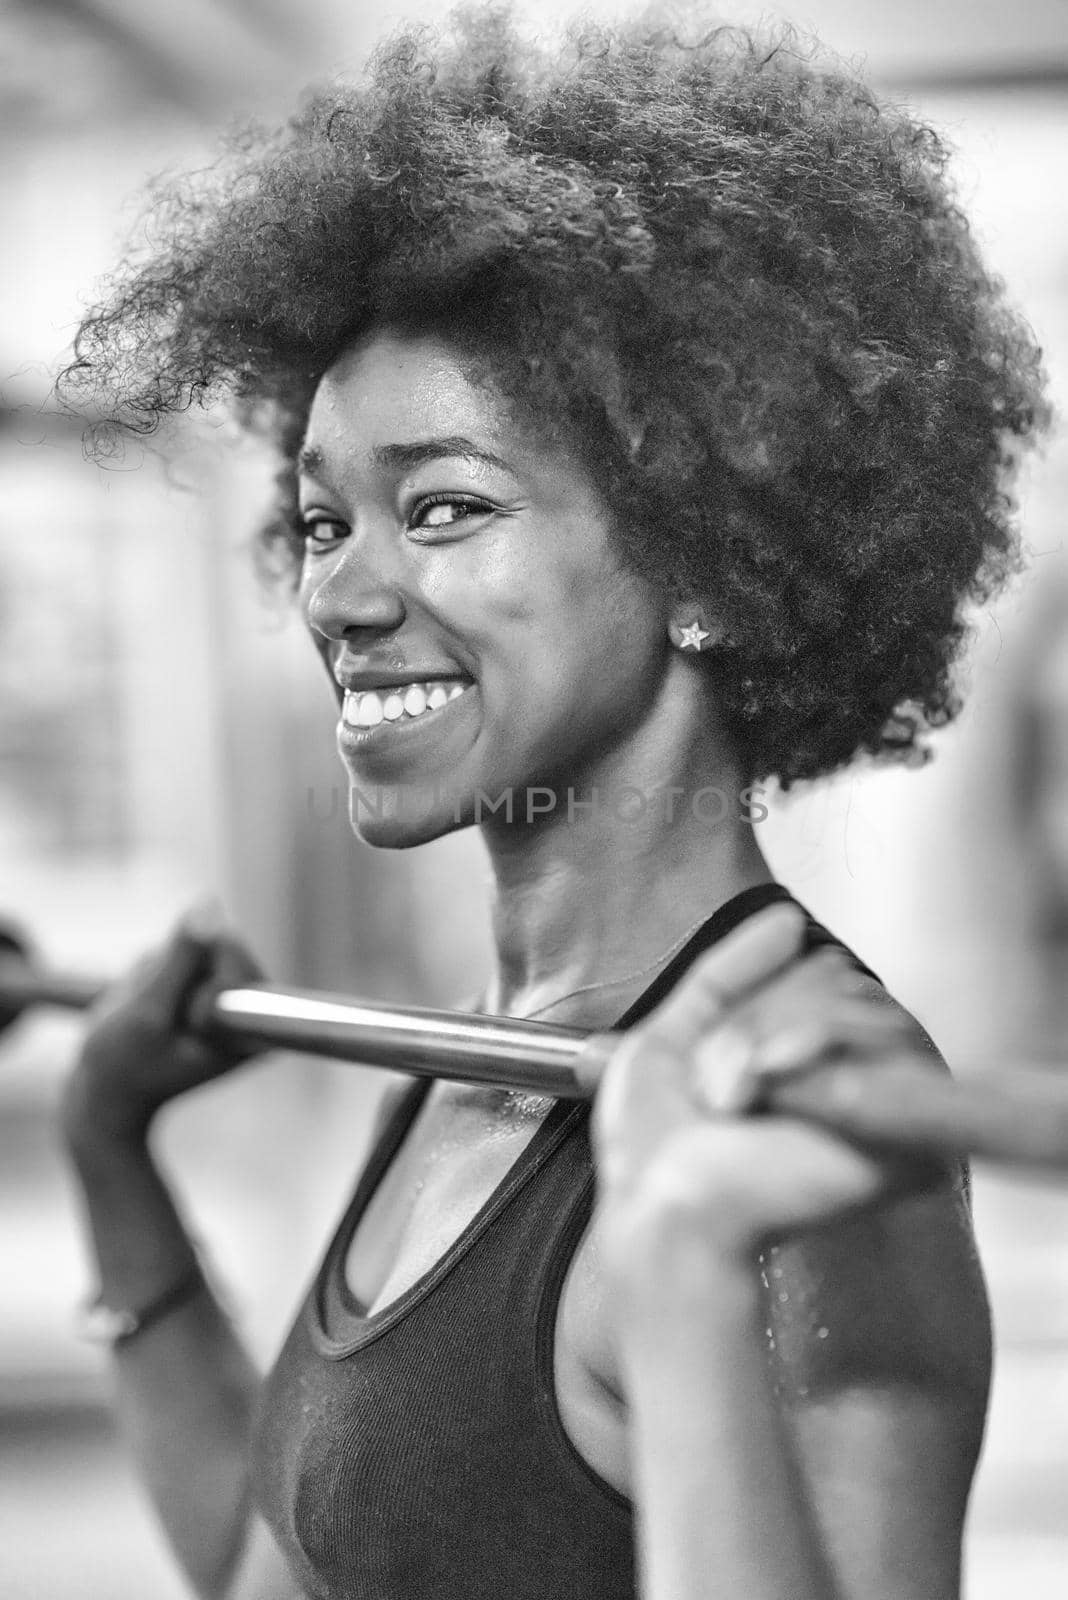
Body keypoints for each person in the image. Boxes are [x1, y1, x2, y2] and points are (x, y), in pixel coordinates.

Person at [57, 6, 1048, 1598]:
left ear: (707, 559)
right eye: (323, 523)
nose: (341, 594)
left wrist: (681, 1278)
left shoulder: (811, 1158)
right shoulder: (481, 1059)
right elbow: (301, 1569)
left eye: (445, 508)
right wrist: (114, 1162)